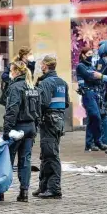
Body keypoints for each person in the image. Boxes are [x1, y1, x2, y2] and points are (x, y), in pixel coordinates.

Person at [0, 60, 41, 203]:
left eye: (11, 70)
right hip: (30, 128)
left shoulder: (15, 87)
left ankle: (1, 191)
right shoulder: (32, 87)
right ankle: (24, 192)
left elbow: (12, 110)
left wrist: (6, 130)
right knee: (25, 160)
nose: (10, 73)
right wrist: (35, 127)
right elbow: (38, 110)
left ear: (16, 71)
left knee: (7, 160)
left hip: (17, 127)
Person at [34, 55, 69, 199]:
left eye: (41, 64)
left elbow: (43, 103)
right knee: (47, 152)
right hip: (58, 120)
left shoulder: (46, 83)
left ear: (45, 66)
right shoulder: (62, 82)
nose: (40, 67)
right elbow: (66, 103)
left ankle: (54, 189)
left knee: (50, 154)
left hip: (48, 120)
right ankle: (44, 186)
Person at [76, 47, 107, 152]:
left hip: (95, 93)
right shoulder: (80, 66)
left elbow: (99, 80)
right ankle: (97, 141)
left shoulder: (91, 66)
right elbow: (89, 77)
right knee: (96, 117)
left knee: (93, 119)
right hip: (87, 93)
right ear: (83, 55)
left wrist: (96, 77)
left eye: (92, 53)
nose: (91, 55)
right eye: (89, 53)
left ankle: (89, 144)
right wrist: (96, 77)